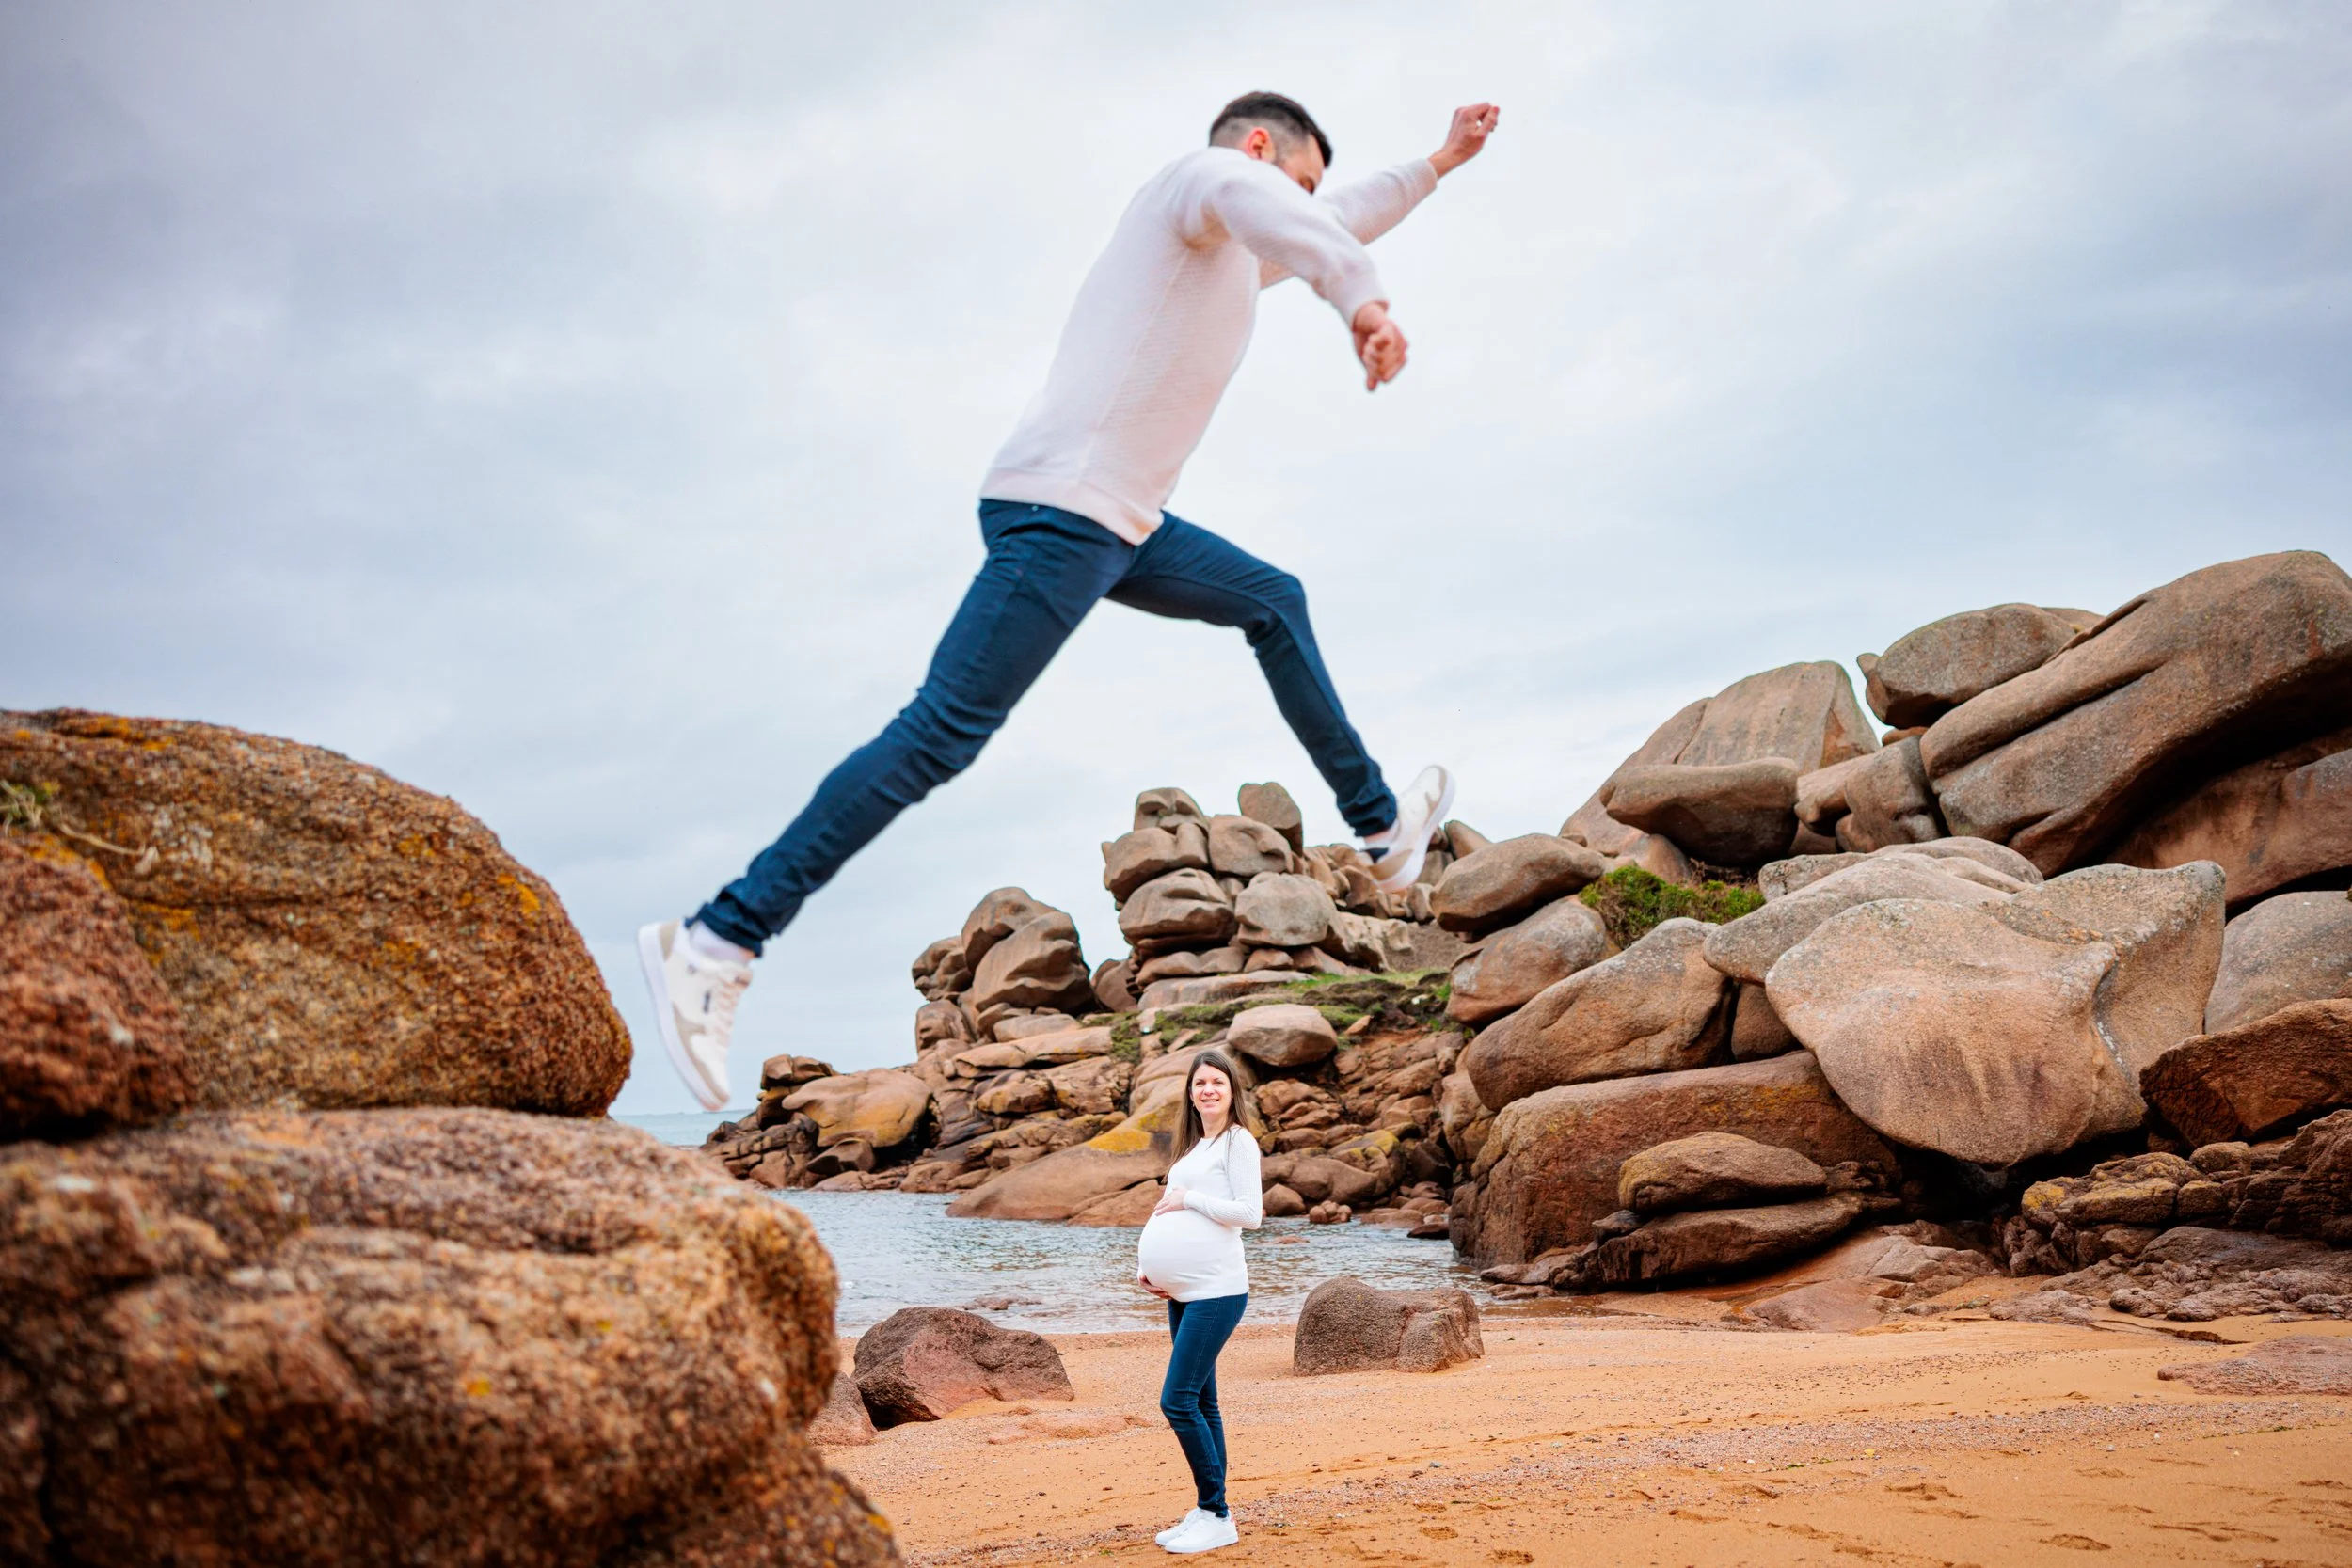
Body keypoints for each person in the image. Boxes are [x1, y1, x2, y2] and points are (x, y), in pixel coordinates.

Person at [640, 92, 1502, 1110]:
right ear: (1260, 148)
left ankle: (1379, 825)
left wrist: (1440, 163)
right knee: (938, 736)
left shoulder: (1237, 245)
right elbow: (1307, 225)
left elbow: (1337, 215)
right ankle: (718, 934)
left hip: (1124, 526)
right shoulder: (1202, 184)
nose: (1305, 207)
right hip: (1061, 512)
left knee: (1272, 600)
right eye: (1298, 182)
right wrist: (1362, 305)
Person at [1135, 1050, 1263, 1554]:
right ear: (1190, 1093)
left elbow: (1249, 1214)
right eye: (1199, 1083)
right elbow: (1166, 1212)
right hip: (1184, 1291)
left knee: (1177, 1401)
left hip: (1217, 1291)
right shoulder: (1193, 1148)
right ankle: (1209, 1508)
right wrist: (1147, 1270)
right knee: (1203, 1402)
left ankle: (1218, 1514)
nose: (1208, 1090)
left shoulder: (1238, 1141)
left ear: (1232, 1090)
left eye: (1217, 1082)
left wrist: (1190, 1200)